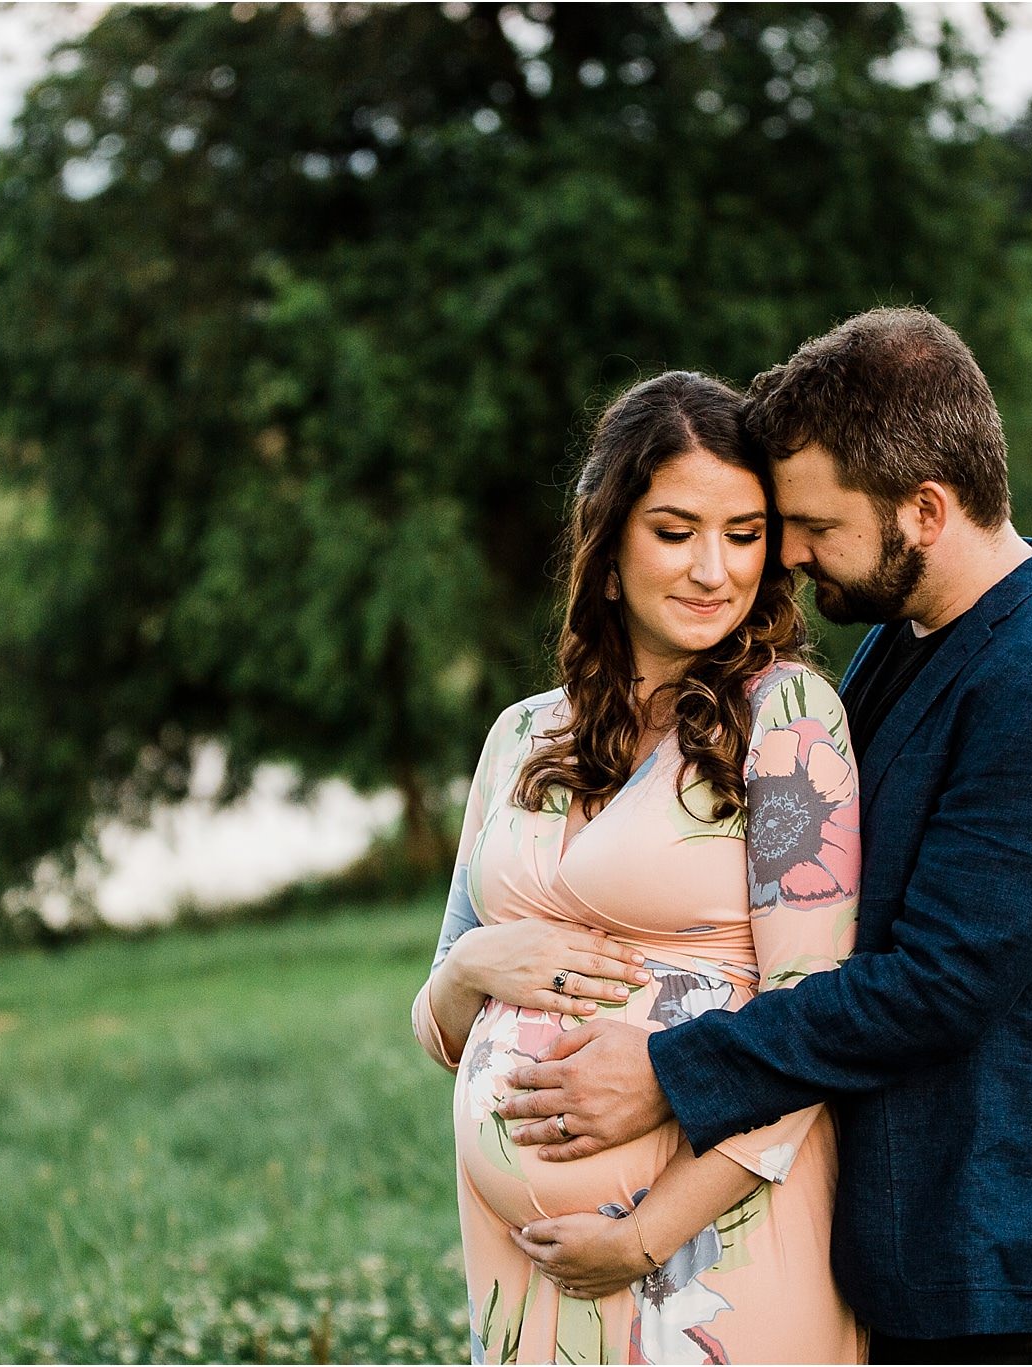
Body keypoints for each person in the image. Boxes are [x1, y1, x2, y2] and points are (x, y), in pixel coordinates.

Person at [496, 309, 1032, 1364]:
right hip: (909, 1246)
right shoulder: (907, 640)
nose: (784, 556)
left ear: (923, 508)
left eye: (812, 526)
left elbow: (935, 985)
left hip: (1011, 1267)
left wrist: (667, 1065)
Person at [412, 370, 868, 1364]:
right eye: (674, 530)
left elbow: (811, 1023)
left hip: (710, 1261)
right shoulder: (517, 736)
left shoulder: (786, 723)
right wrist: (473, 966)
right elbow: (440, 1017)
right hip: (528, 1269)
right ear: (608, 547)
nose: (714, 568)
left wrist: (641, 1234)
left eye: (743, 534)